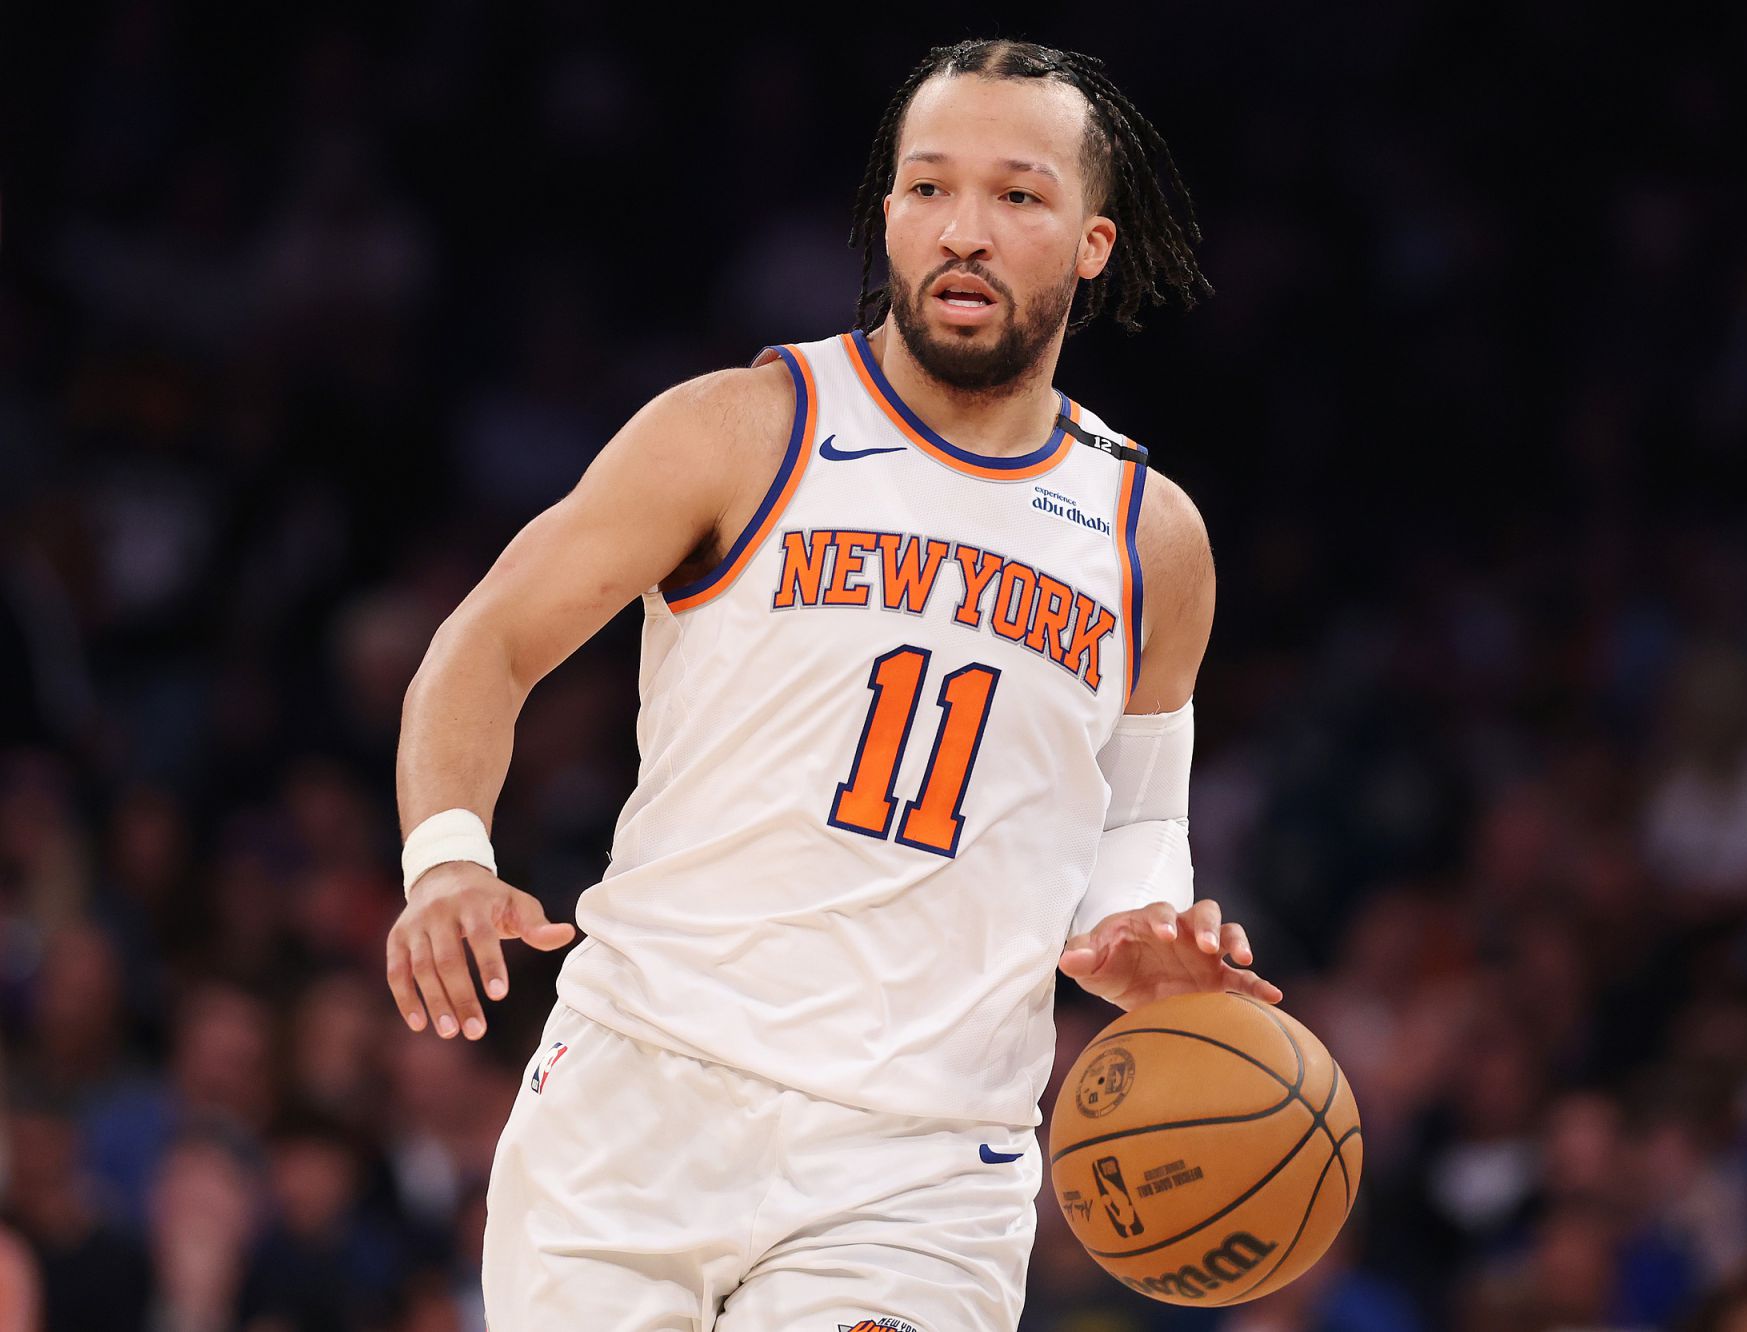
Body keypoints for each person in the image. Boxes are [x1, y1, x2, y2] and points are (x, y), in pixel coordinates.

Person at [385, 37, 1277, 1331]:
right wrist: (448, 860)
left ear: (1093, 242)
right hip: (641, 1098)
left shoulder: (1152, 536)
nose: (964, 229)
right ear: (889, 213)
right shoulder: (742, 431)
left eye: (1017, 195)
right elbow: (488, 642)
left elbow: (1137, 819)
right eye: (929, 187)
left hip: (924, 1171)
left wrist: (1138, 927)